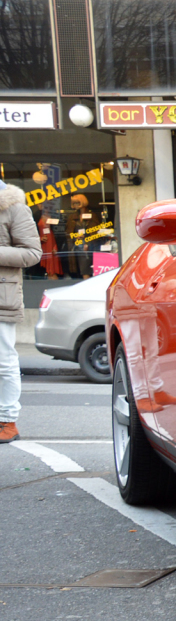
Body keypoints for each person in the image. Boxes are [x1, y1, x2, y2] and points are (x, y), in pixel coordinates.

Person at [0, 179, 42, 443]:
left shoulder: (14, 206)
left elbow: (32, 253)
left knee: (3, 361)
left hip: (1, 296)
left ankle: (7, 420)